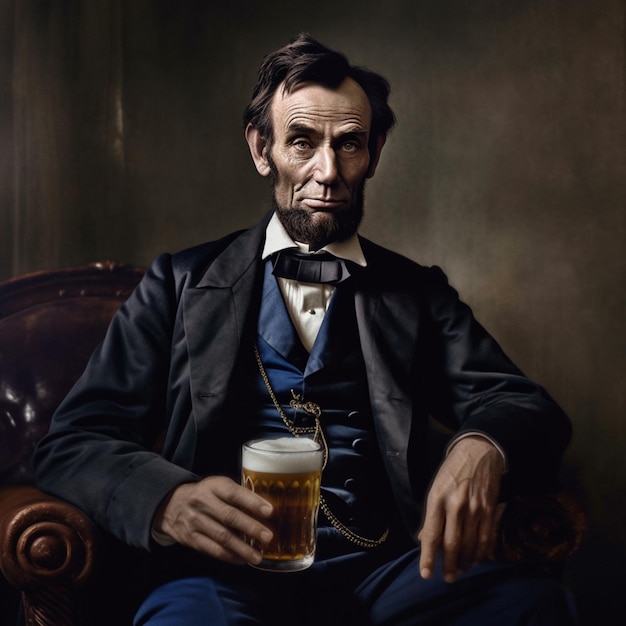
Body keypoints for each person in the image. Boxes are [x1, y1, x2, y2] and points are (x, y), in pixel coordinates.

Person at [34, 33, 576, 625]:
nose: (328, 172)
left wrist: (482, 446)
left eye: (349, 145)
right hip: (222, 580)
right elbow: (72, 441)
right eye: (302, 142)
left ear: (374, 153)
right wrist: (166, 499)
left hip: (385, 573)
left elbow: (524, 404)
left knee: (534, 604)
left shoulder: (418, 293)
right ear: (261, 148)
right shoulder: (178, 282)